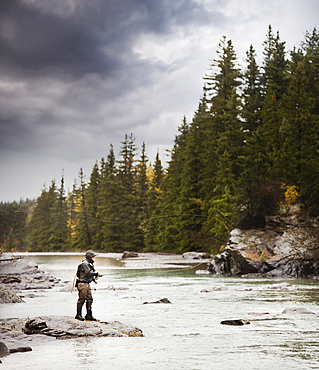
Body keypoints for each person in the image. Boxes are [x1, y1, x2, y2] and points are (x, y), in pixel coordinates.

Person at [75, 250, 100, 321]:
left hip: (87, 284)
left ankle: (89, 315)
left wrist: (94, 279)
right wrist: (96, 274)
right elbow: (88, 273)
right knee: (82, 299)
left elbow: (90, 274)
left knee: (90, 299)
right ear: (89, 257)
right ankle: (78, 315)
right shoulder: (84, 264)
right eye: (92, 257)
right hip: (82, 284)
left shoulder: (89, 264)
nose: (93, 258)